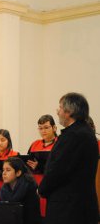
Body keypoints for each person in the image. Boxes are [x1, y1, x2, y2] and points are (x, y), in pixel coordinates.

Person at [38, 93, 99, 224]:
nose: (57, 111)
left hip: (68, 208)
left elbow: (58, 169)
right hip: (79, 204)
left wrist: (41, 189)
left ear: (69, 111)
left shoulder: (74, 136)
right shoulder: (84, 132)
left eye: (60, 107)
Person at [26, 114, 57, 218]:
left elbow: (61, 166)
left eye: (46, 127)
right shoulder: (35, 144)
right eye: (40, 128)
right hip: (34, 184)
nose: (43, 131)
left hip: (51, 185)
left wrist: (40, 167)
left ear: (54, 128)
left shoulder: (59, 143)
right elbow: (27, 163)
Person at [0, 157, 41, 224]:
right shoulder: (3, 190)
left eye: (8, 170)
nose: (4, 173)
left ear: (18, 173)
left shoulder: (29, 187)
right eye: (3, 170)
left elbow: (32, 216)